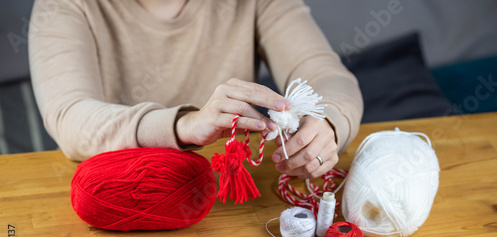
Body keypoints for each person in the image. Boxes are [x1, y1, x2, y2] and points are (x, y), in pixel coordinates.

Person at [29, 0, 362, 179]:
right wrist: (184, 125)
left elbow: (327, 76)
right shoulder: (63, 6)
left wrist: (328, 123)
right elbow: (69, 117)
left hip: (226, 202)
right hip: (122, 198)